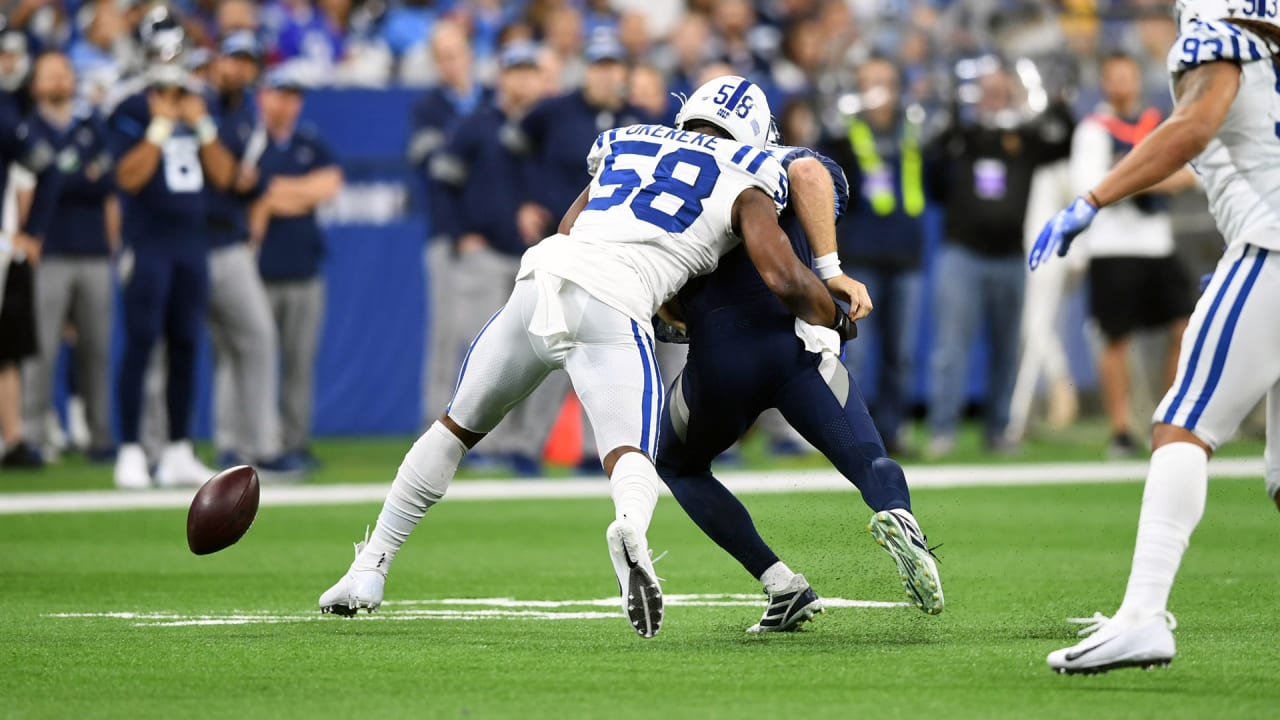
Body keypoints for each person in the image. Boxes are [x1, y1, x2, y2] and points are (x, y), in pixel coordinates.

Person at [319, 77, 855, 640]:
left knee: (453, 428)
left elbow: (569, 225)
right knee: (631, 452)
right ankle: (630, 530)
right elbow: (782, 275)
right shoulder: (751, 170)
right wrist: (835, 317)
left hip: (543, 279)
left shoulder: (629, 140)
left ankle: (368, 568)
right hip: (615, 303)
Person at [1031, 3, 1280, 674]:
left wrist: (1091, 199)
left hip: (1271, 249)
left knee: (1181, 423)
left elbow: (1192, 125)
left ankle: (1142, 614)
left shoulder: (1219, 40)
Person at [656, 123, 944, 631]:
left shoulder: (667, 177)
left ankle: (781, 584)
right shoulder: (773, 163)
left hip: (720, 357)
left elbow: (664, 290)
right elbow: (808, 170)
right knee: (869, 458)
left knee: (678, 465)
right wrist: (831, 273)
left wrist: (679, 315)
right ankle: (898, 516)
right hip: (796, 349)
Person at [109, 13, 237, 489]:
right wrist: (160, 127)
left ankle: (179, 449)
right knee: (140, 345)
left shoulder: (200, 104)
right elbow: (127, 177)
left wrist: (202, 128)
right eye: (162, 53)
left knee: (186, 345)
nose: (170, 63)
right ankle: (130, 449)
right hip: (148, 242)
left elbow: (224, 177)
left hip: (192, 242)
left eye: (176, 53)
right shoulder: (130, 106)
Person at [429, 42, 561, 475]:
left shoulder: (552, 127)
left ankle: (524, 445)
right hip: (486, 251)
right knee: (479, 347)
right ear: (501, 77)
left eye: (530, 71)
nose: (522, 80)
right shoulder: (476, 125)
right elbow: (443, 183)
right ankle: (477, 444)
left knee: (544, 351)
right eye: (515, 71)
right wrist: (462, 235)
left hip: (541, 258)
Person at [925, 65, 1072, 457]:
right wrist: (953, 114)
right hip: (963, 254)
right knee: (951, 347)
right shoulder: (965, 137)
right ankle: (943, 431)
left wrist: (1058, 102)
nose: (993, 97)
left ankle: (999, 431)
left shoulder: (1022, 138)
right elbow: (934, 171)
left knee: (1007, 347)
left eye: (999, 91)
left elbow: (1062, 143)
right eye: (986, 91)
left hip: (1009, 256)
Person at [1072, 52, 1197, 458]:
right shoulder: (1093, 128)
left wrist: (1129, 173)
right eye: (1115, 77)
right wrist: (1150, 174)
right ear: (1105, 83)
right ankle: (1121, 429)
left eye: (1128, 76)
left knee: (1184, 325)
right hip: (1113, 248)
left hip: (1156, 244)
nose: (1123, 84)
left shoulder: (1156, 123)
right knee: (1117, 339)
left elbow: (1187, 175)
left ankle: (1169, 419)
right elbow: (1091, 186)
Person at [824, 55, 928, 455]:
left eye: (885, 81)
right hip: (861, 258)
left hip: (907, 255)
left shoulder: (915, 130)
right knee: (860, 353)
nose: (878, 91)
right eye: (869, 82)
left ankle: (895, 431)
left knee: (901, 354)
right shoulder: (841, 134)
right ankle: (855, 438)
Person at [203, 32, 296, 472]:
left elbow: (240, 181)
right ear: (217, 60)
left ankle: (252, 446)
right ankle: (155, 449)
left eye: (247, 61)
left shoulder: (246, 119)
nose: (238, 68)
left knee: (251, 339)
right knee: (170, 351)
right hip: (176, 239)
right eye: (233, 59)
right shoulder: (196, 100)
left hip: (224, 239)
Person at [22, 51, 117, 463]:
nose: (60, 80)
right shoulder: (26, 127)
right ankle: (32, 435)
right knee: (39, 349)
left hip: (94, 250)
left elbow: (106, 181)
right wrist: (77, 175)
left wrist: (66, 175)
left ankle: (99, 436)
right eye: (51, 74)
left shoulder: (90, 122)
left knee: (95, 349)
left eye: (65, 72)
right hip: (49, 251)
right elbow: (49, 183)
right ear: (36, 83)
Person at [253, 67, 343, 467]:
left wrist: (276, 194)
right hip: (259, 269)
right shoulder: (249, 141)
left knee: (299, 363)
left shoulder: (310, 141)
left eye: (293, 96)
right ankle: (255, 442)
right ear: (262, 97)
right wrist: (299, 193)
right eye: (279, 94)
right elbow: (250, 193)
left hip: (304, 266)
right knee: (253, 361)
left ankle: (294, 442)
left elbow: (328, 186)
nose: (286, 103)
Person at [408, 20, 484, 431]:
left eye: (454, 53)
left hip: (492, 238)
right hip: (448, 235)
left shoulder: (489, 100)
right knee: (446, 333)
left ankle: (481, 427)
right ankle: (434, 425)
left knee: (491, 339)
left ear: (469, 55)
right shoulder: (428, 108)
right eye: (441, 56)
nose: (448, 64)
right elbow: (432, 168)